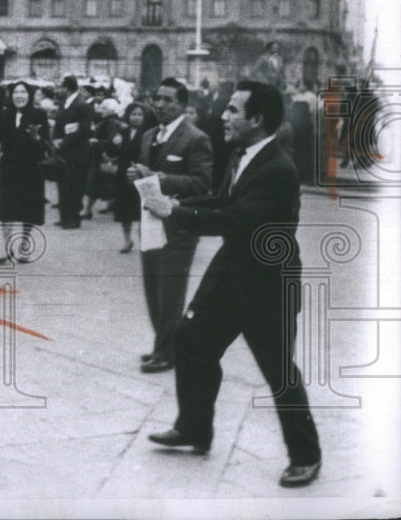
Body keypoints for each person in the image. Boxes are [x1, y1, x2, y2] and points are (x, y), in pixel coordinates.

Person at [145, 81, 322, 488]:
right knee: (191, 339)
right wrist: (180, 206)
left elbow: (235, 220)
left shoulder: (278, 168)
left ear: (256, 119)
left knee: (279, 371)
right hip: (231, 270)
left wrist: (173, 211)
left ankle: (306, 456)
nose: (222, 117)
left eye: (232, 111)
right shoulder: (243, 154)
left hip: (267, 283)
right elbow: (222, 200)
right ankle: (193, 428)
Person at [126, 78, 212, 373]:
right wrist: (137, 176)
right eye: (157, 98)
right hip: (151, 223)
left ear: (183, 105)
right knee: (153, 288)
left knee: (170, 293)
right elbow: (146, 175)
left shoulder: (195, 138)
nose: (159, 104)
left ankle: (166, 352)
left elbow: (202, 182)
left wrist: (161, 178)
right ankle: (164, 345)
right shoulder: (149, 135)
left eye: (168, 100)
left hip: (179, 227)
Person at [0, 81, 49, 264]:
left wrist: (37, 138)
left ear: (29, 95)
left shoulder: (39, 114)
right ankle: (8, 250)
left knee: (29, 210)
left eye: (23, 92)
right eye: (16, 92)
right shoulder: (4, 114)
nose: (19, 95)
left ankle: (24, 248)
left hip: (31, 167)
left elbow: (47, 145)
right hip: (9, 167)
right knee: (6, 209)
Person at [108, 102, 156, 254]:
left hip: (141, 174)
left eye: (139, 114)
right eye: (133, 114)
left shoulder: (149, 133)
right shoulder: (122, 132)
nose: (136, 118)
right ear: (128, 116)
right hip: (124, 175)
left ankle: (144, 240)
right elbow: (112, 153)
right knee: (124, 210)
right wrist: (114, 143)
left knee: (142, 209)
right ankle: (127, 239)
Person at [53, 75, 93, 229]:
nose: (58, 90)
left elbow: (85, 129)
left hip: (77, 152)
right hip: (63, 151)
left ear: (67, 88)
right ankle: (65, 217)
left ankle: (73, 219)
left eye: (60, 87)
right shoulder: (65, 103)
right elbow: (58, 124)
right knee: (63, 184)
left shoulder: (82, 105)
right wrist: (56, 139)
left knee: (74, 186)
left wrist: (64, 141)